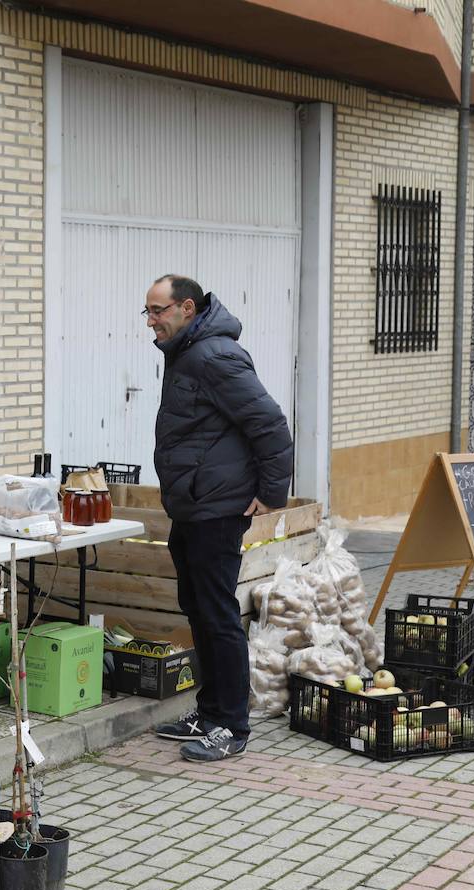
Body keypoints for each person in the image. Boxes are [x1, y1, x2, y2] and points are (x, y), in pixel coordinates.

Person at [145, 274, 292, 762]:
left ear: (187, 307)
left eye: (158, 310)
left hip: (217, 506)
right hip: (193, 504)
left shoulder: (215, 356)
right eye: (147, 311)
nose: (151, 321)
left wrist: (272, 495)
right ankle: (208, 712)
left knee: (218, 614)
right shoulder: (187, 353)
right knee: (198, 608)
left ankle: (231, 724)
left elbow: (269, 423)